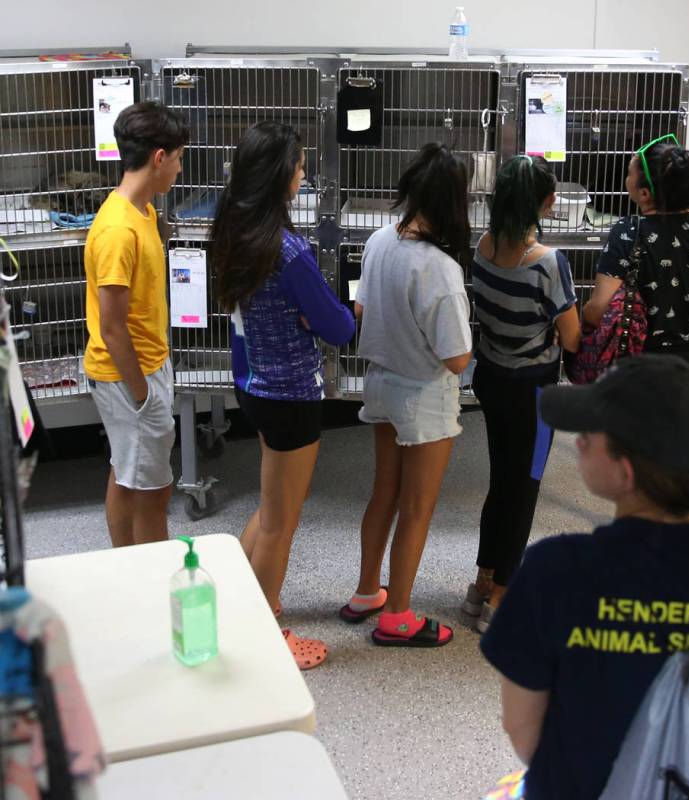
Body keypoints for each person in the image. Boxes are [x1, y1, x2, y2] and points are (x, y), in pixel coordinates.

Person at [480, 355, 689, 799]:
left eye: (588, 435)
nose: (579, 443)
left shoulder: (554, 569)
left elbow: (522, 728)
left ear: (626, 472)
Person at [211, 121, 355, 669]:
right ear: (278, 176)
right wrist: (345, 312)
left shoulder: (234, 231)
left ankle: (243, 604)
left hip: (252, 384)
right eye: (298, 166)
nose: (303, 174)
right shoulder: (289, 251)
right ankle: (269, 630)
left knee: (271, 509)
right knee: (281, 521)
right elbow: (337, 329)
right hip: (292, 394)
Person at [340, 143, 473, 648]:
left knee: (384, 495)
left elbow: (361, 306)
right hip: (424, 397)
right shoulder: (440, 268)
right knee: (417, 508)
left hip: (380, 385)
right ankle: (398, 615)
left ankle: (366, 591)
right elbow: (457, 358)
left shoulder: (378, 240)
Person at [464, 155, 581, 633]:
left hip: (490, 378)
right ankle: (502, 596)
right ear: (539, 203)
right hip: (533, 390)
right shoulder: (548, 263)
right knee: (525, 488)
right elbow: (571, 337)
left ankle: (481, 580)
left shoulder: (483, 246)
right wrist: (554, 332)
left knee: (500, 483)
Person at [84, 101, 190, 547]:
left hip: (147, 366)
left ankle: (126, 563)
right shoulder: (117, 230)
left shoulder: (143, 212)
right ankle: (147, 573)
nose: (181, 170)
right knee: (150, 489)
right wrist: (142, 394)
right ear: (159, 158)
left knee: (129, 473)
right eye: (180, 158)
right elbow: (112, 328)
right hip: (130, 376)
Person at [582, 135, 689, 388]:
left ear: (644, 194)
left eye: (628, 174)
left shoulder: (628, 231)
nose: (625, 180)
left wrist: (582, 317)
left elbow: (599, 308)